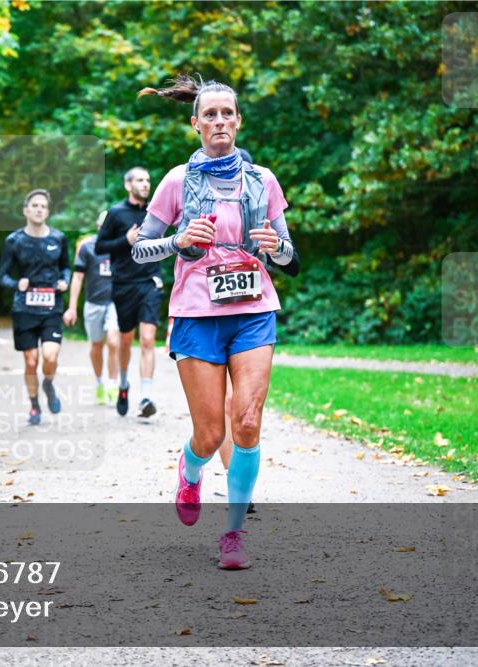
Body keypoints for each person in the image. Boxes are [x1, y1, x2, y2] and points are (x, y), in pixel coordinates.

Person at [133, 75, 297, 569]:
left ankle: (233, 532)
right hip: (196, 315)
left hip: (253, 311)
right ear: (195, 124)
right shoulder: (176, 182)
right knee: (209, 434)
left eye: (228, 113)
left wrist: (277, 248)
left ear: (239, 120)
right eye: (210, 114)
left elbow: (290, 256)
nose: (220, 121)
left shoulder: (263, 180)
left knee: (246, 422)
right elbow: (141, 249)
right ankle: (191, 467)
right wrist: (179, 241)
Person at [0, 189, 71, 425]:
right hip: (24, 309)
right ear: (26, 210)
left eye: (43, 206)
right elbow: (3, 276)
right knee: (31, 361)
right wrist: (16, 283)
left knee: (50, 355)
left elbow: (66, 268)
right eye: (35, 206)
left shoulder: (58, 238)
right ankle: (34, 405)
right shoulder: (14, 240)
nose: (39, 209)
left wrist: (65, 281)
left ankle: (48, 383)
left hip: (52, 306)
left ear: (47, 212)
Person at [95, 167, 163, 419]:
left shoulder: (156, 211)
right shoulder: (116, 213)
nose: (145, 184)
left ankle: (146, 397)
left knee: (147, 339)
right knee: (126, 340)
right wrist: (125, 240)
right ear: (128, 184)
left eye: (147, 179)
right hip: (123, 284)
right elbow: (100, 246)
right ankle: (123, 384)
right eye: (140, 180)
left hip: (149, 282)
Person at [63, 210, 121, 405]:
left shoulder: (121, 247)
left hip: (115, 303)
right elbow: (77, 278)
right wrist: (72, 307)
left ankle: (113, 385)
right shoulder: (87, 247)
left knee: (113, 342)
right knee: (96, 346)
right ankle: (100, 383)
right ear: (98, 226)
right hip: (93, 303)